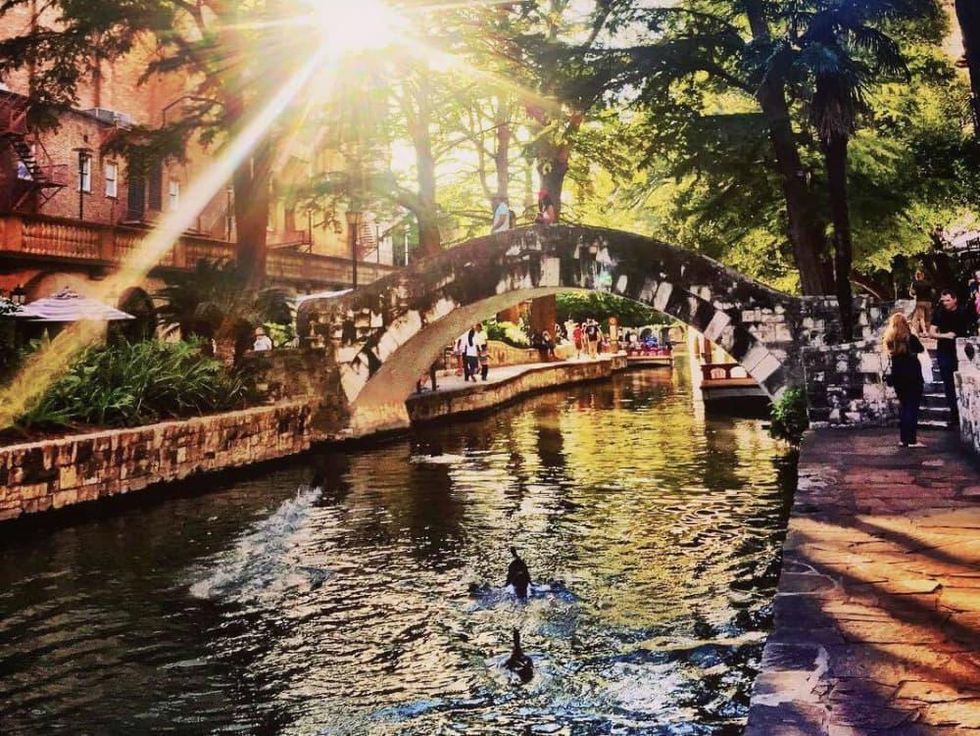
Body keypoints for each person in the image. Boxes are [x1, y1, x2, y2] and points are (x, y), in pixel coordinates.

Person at [929, 289, 972, 428]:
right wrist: (945, 335)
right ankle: (955, 415)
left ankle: (964, 414)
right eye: (943, 301)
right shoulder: (939, 312)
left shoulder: (963, 311)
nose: (945, 303)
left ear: (955, 299)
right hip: (944, 350)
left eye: (948, 300)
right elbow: (931, 332)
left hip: (963, 351)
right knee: (948, 382)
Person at [883, 313, 926, 448]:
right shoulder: (910, 338)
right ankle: (912, 439)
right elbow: (921, 349)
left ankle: (903, 439)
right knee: (912, 408)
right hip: (912, 375)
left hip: (898, 377)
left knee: (905, 407)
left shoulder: (890, 340)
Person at [908, 270, 934, 335]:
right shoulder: (928, 283)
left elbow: (913, 293)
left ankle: (925, 331)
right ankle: (929, 331)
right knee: (928, 317)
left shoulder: (915, 283)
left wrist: (912, 291)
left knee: (921, 317)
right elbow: (933, 292)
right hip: (928, 302)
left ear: (917, 276)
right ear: (923, 275)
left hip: (920, 301)